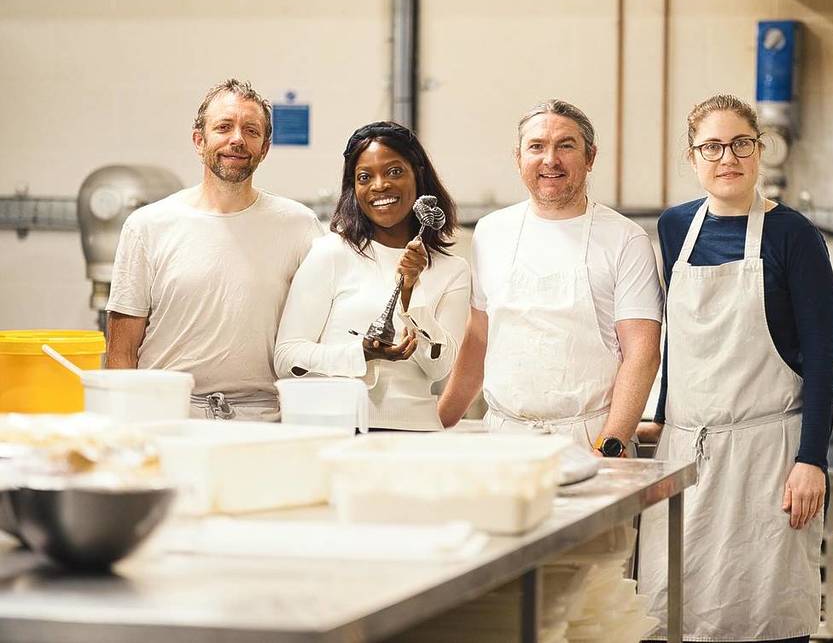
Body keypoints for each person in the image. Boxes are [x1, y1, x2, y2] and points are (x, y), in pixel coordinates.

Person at [637, 94, 833, 642]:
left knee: (765, 616)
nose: (728, 157)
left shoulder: (794, 235)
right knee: (671, 614)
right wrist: (658, 415)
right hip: (685, 453)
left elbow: (823, 356)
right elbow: (674, 339)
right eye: (713, 146)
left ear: (760, 150)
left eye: (741, 144)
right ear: (693, 156)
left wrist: (812, 461)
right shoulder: (675, 227)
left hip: (766, 457)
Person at [438, 99, 662, 457]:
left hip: (591, 438)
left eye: (566, 146)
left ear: (590, 157)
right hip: (504, 437)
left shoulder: (625, 239)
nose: (550, 160)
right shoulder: (491, 231)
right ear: (518, 158)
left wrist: (611, 444)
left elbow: (643, 354)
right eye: (536, 147)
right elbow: (479, 338)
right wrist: (436, 425)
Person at [106, 79, 324, 421]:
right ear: (199, 140)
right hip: (167, 415)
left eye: (251, 131)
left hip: (264, 419)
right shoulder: (147, 226)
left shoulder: (299, 226)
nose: (237, 139)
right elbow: (121, 352)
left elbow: (316, 337)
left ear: (264, 148)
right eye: (224, 127)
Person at [274, 121, 468, 431]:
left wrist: (409, 294)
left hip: (417, 436)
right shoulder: (331, 253)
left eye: (394, 172)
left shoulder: (453, 269)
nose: (379, 186)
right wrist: (359, 354)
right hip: (336, 430)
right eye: (365, 177)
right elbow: (286, 358)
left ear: (417, 174)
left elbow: (439, 367)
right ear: (354, 187)